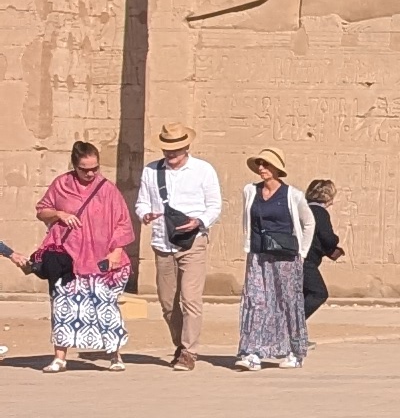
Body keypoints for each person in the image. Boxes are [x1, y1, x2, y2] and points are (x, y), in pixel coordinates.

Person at [34, 139, 133, 369]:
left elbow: (123, 222)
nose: (90, 173)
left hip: (101, 259)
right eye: (84, 169)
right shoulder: (61, 185)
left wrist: (117, 251)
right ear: (74, 165)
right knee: (63, 307)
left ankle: (115, 355)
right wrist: (59, 213)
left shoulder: (108, 189)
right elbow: (42, 210)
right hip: (69, 257)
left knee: (105, 307)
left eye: (95, 168)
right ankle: (60, 357)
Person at [135, 122, 223, 370]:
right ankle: (180, 343)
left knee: (190, 298)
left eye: (175, 149)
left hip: (193, 240)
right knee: (167, 302)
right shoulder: (151, 171)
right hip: (162, 242)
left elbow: (215, 205)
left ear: (186, 147)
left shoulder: (203, 170)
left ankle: (189, 351)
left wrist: (199, 221)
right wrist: (146, 215)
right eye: (167, 149)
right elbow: (141, 202)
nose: (171, 154)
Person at [235, 149, 317, 369]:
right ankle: (252, 351)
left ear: (276, 168)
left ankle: (293, 351)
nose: (262, 168)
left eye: (266, 164)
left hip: (286, 256)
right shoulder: (250, 191)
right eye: (260, 164)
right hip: (258, 254)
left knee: (287, 302)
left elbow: (309, 223)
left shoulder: (293, 195)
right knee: (256, 300)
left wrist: (302, 253)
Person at [299, 177, 342, 349]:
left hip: (296, 259)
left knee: (301, 296)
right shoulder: (319, 213)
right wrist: (335, 242)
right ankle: (290, 326)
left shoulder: (303, 209)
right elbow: (327, 238)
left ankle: (297, 337)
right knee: (318, 293)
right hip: (306, 261)